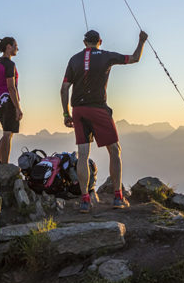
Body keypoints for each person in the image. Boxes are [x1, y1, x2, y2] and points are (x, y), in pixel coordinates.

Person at [61, 28, 147, 212]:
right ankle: (118, 197)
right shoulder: (107, 56)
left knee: (83, 154)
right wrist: (141, 41)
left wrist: (66, 114)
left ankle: (85, 200)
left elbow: (64, 89)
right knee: (115, 150)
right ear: (100, 41)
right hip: (98, 108)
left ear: (85, 43)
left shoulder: (74, 59)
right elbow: (134, 58)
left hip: (78, 110)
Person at [0, 36, 22, 165]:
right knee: (8, 134)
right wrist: (17, 107)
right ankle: (4, 165)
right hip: (9, 101)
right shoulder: (10, 64)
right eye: (15, 46)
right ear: (9, 47)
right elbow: (11, 87)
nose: (17, 48)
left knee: (6, 132)